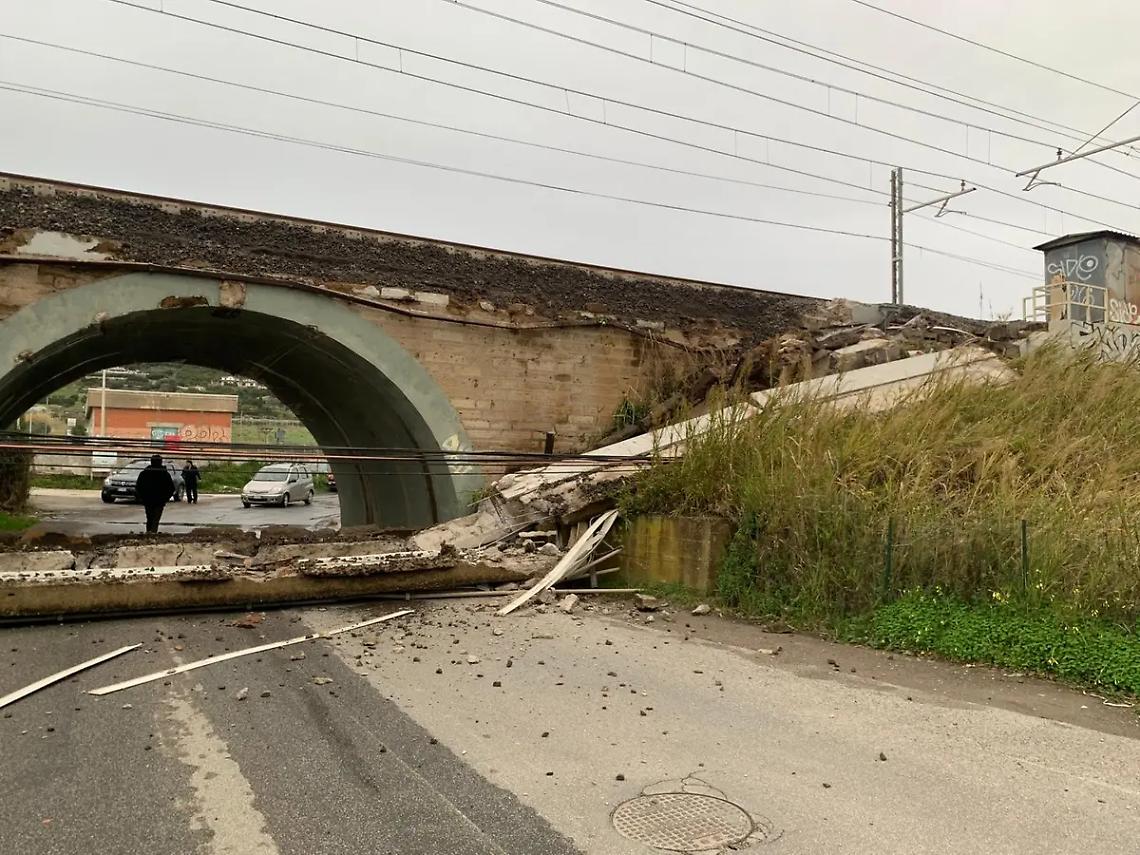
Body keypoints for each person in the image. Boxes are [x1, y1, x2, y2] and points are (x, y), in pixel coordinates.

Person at [136, 455, 175, 534]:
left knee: (149, 518)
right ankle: (153, 533)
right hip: (159, 501)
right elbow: (171, 488)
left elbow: (138, 487)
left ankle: (149, 532)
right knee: (155, 519)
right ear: (161, 462)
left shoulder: (144, 473)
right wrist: (165, 498)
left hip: (148, 500)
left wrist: (142, 497)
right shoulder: (164, 474)